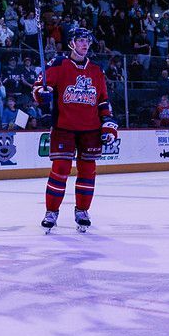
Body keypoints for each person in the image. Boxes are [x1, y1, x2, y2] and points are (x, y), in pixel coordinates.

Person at [33, 27, 118, 233]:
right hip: (64, 127)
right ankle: (51, 212)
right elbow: (38, 88)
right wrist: (42, 93)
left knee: (88, 171)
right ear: (71, 43)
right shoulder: (58, 64)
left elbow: (103, 101)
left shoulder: (96, 70)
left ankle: (82, 211)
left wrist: (107, 123)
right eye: (80, 40)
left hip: (90, 129)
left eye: (87, 41)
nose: (85, 44)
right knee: (60, 170)